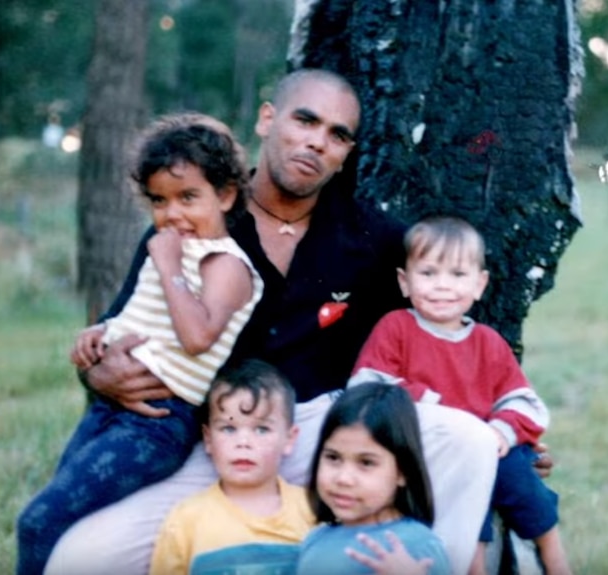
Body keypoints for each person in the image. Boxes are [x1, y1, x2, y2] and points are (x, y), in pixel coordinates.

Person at [44, 68, 503, 575]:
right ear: (267, 119)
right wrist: (97, 374)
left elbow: (436, 336)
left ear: (347, 153)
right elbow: (115, 333)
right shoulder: (195, 220)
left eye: (337, 135)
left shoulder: (373, 238)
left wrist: (513, 429)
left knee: (471, 440)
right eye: (304, 120)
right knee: (79, 560)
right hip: (219, 437)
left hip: (328, 437)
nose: (316, 143)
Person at [16, 114, 263, 575]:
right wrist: (99, 337)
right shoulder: (171, 250)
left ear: (226, 195)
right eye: (159, 201)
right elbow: (138, 316)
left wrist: (168, 264)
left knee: (38, 522)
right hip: (111, 411)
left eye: (189, 197)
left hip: (157, 425)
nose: (172, 214)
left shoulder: (227, 265)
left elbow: (196, 338)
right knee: (62, 516)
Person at [349, 215, 571, 575]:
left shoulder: (487, 342)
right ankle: (474, 568)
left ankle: (554, 556)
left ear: (480, 284)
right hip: (429, 452)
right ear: (405, 282)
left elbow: (523, 401)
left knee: (517, 474)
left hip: (490, 448)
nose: (442, 286)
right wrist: (435, 405)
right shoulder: (396, 328)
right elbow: (367, 387)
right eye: (428, 273)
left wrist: (503, 431)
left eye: (457, 274)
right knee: (469, 495)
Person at [149, 359, 311, 575]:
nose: (243, 442)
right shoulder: (186, 521)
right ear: (208, 439)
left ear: (289, 439)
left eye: (261, 429)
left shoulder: (311, 512)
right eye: (228, 428)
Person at [296, 382, 451, 575]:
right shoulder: (317, 538)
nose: (344, 478)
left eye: (366, 463)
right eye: (333, 457)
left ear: (403, 472)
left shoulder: (415, 546)